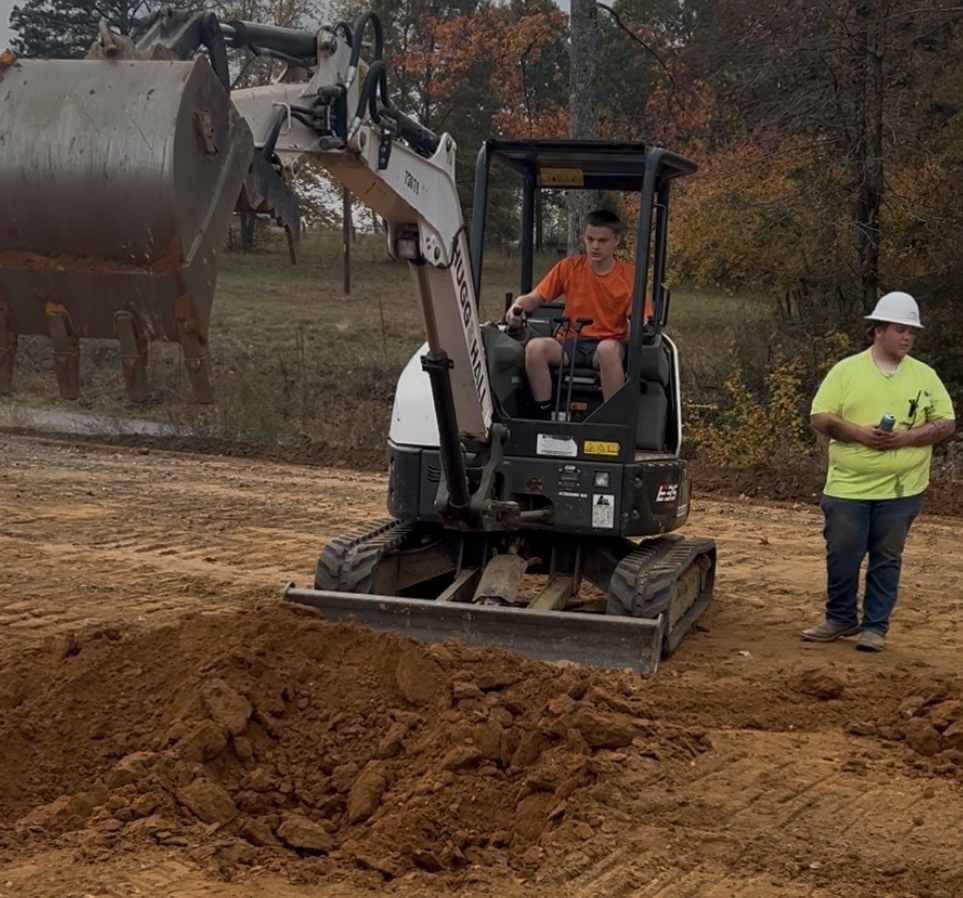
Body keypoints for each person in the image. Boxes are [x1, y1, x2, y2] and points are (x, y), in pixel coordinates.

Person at [802, 291, 955, 652]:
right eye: (900, 329)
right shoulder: (846, 371)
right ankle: (839, 618)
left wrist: (906, 438)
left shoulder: (925, 376)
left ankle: (875, 627)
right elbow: (819, 416)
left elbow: (946, 423)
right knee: (842, 554)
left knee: (886, 557)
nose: (907, 337)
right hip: (848, 487)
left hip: (901, 490)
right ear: (878, 330)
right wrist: (857, 433)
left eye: (911, 332)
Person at [503, 210, 649, 417]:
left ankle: (614, 421)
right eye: (590, 239)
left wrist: (638, 322)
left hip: (608, 344)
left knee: (608, 350)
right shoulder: (569, 267)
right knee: (536, 348)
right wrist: (517, 307)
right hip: (571, 342)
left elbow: (641, 317)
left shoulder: (628, 276)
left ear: (616, 240)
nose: (595, 246)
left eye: (602, 240)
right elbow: (534, 298)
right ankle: (542, 416)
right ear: (584, 238)